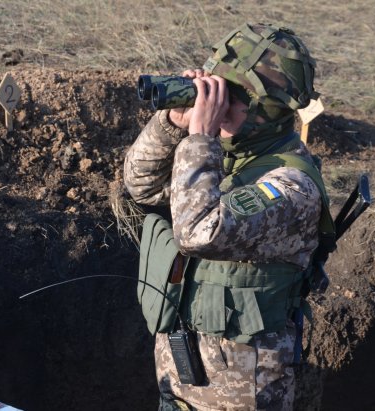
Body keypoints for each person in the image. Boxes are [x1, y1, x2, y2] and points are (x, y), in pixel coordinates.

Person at [123, 23, 330, 411]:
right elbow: (142, 186)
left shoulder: (291, 187)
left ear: (263, 111)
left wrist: (200, 139)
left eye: (227, 96)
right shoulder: (223, 161)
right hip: (182, 386)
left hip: (240, 398)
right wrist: (173, 126)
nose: (212, 103)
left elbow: (199, 233)